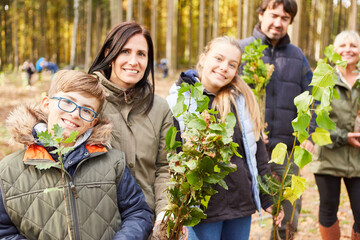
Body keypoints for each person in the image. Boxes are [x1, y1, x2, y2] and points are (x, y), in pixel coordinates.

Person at [0, 70, 154, 239]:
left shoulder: (113, 162)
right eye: (67, 102)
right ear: (46, 104)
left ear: (93, 122)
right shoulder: (8, 171)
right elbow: (4, 231)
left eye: (87, 111)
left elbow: (137, 212)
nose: (74, 114)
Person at [167, 36, 283, 240]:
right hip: (201, 210)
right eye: (218, 59)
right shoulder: (179, 100)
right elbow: (170, 157)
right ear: (203, 58)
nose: (224, 67)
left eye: (232, 64)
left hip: (240, 205)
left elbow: (258, 155)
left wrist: (269, 197)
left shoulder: (242, 102)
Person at [238, 0, 314, 238]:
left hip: (285, 147)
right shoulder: (241, 50)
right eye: (273, 15)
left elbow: (314, 97)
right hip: (243, 149)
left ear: (290, 22)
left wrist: (309, 133)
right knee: (235, 209)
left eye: (285, 19)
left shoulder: (297, 56)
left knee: (287, 211)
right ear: (261, 14)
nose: (278, 23)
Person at [88, 22, 173, 229]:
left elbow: (166, 167)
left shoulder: (160, 109)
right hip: (95, 222)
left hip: (148, 223)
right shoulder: (86, 99)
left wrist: (165, 212)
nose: (133, 61)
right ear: (109, 53)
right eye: (125, 51)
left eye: (141, 54)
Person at [312, 30, 360, 240]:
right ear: (334, 49)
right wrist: (343, 136)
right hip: (329, 156)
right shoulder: (323, 78)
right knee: (329, 207)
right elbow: (314, 123)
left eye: (354, 45)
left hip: (358, 159)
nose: (348, 50)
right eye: (342, 45)